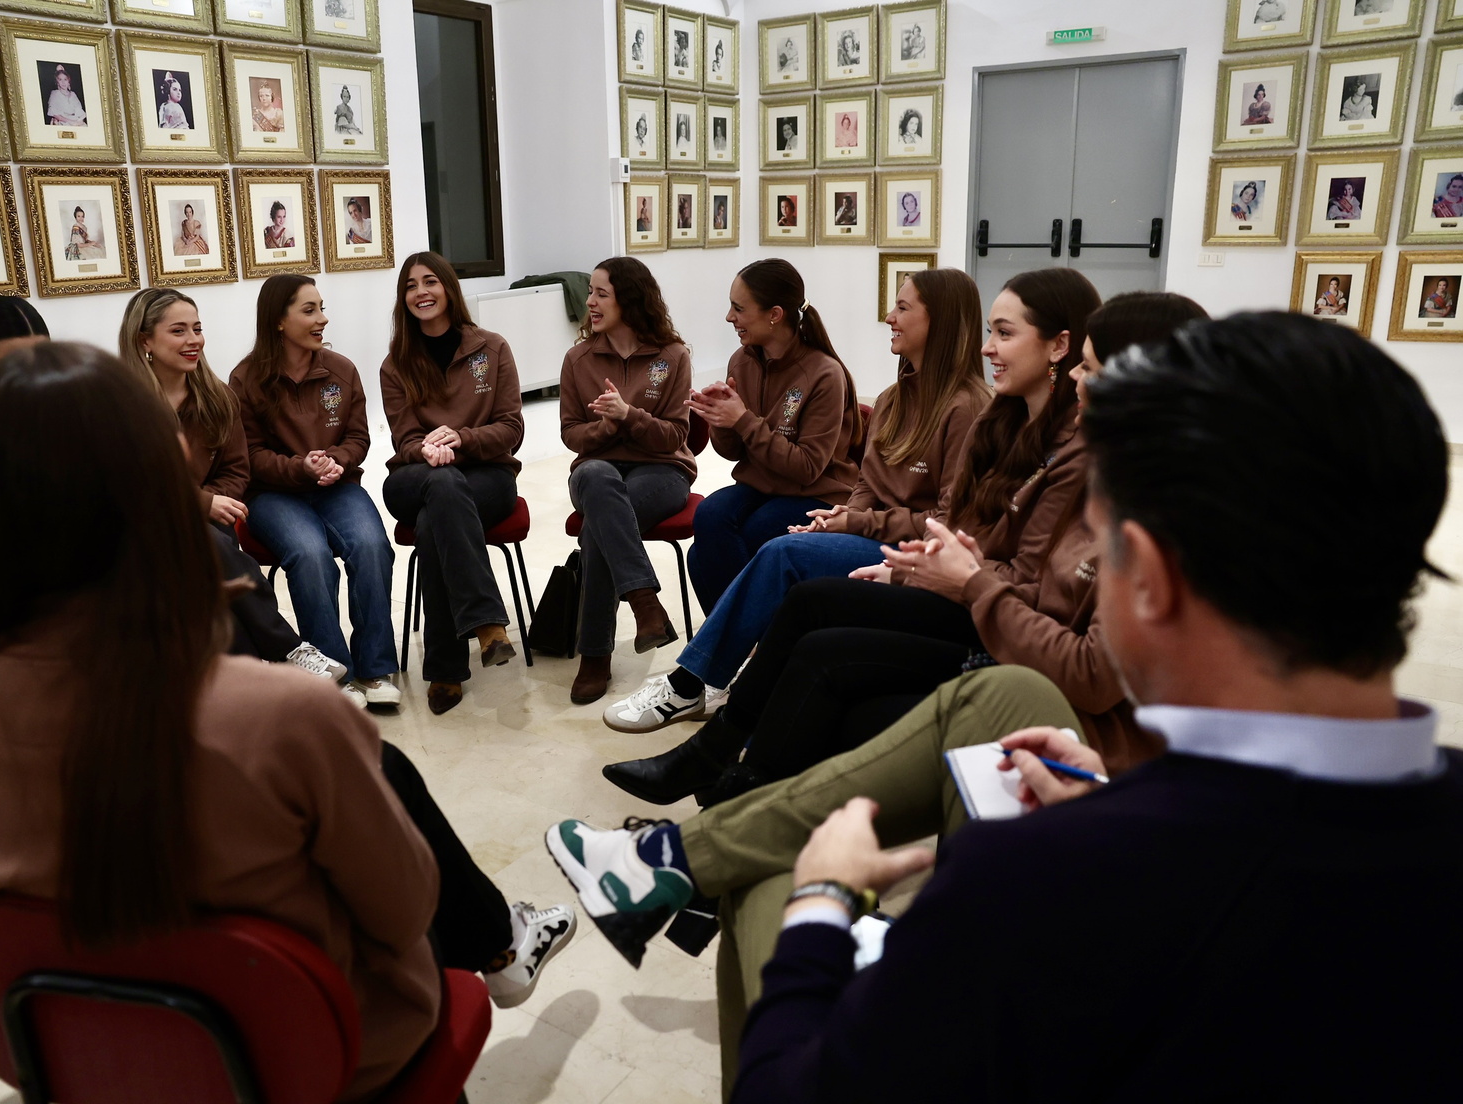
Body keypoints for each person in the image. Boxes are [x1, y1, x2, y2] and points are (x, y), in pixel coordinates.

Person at [552, 309, 1462, 1102]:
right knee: (996, 688)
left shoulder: (1040, 880)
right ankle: (683, 853)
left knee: (769, 886)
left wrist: (824, 902)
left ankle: (704, 865)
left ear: (1150, 576)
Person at [0, 345, 578, 1103]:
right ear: (165, 480)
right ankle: (504, 946)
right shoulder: (284, 716)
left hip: (98, 1069)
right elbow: (404, 912)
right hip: (316, 1060)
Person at [603, 292, 1206, 809]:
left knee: (796, 583)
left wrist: (928, 562)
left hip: (988, 623)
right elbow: (940, 520)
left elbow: (967, 542)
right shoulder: (960, 412)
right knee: (737, 534)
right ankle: (720, 757)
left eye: (1005, 333)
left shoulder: (1070, 461)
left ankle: (720, 750)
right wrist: (866, 526)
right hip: (951, 579)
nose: (888, 317)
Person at [602, 268, 1098, 737]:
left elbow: (942, 520)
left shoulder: (966, 407)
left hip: (910, 545)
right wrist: (842, 517)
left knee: (779, 552)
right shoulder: (892, 398)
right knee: (715, 528)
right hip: (862, 523)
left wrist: (853, 520)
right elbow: (866, 483)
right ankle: (733, 673)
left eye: (902, 308)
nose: (889, 317)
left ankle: (696, 681)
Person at [118, 288, 344, 681]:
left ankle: (260, 679)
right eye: (178, 331)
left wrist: (210, 505)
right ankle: (287, 650)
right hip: (137, 533)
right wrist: (201, 503)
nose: (194, 340)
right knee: (207, 545)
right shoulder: (119, 404)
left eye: (197, 328)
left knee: (211, 559)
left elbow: (237, 471)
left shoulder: (217, 397)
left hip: (210, 531)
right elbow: (127, 486)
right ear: (145, 341)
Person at [229, 275, 401, 707]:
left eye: (322, 308)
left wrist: (337, 461)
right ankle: (333, 675)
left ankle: (375, 670)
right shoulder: (246, 378)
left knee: (372, 546)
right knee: (309, 555)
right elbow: (249, 456)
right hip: (272, 494)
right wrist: (300, 467)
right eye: (309, 310)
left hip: (335, 485)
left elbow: (359, 437)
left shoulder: (341, 370)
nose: (322, 318)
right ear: (278, 320)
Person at [672, 259, 863, 622]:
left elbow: (807, 469)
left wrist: (742, 420)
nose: (729, 317)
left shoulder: (825, 373)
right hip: (762, 485)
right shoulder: (741, 361)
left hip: (816, 493)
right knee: (709, 515)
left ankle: (749, 641)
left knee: (708, 556)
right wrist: (721, 421)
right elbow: (731, 452)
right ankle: (753, 641)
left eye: (739, 308)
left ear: (775, 314)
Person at [380, 252, 523, 715]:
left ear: (448, 288)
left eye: (430, 282)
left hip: (487, 475)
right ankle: (487, 624)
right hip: (416, 475)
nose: (420, 292)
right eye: (410, 286)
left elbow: (511, 428)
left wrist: (461, 439)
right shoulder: (396, 365)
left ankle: (445, 667)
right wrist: (426, 450)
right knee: (439, 488)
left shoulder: (492, 348)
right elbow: (404, 439)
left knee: (434, 521)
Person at [559, 257, 696, 705]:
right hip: (596, 468)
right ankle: (645, 604)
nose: (590, 302)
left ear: (630, 300)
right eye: (590, 292)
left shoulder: (672, 355)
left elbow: (675, 436)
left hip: (662, 469)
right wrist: (605, 428)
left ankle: (594, 654)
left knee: (600, 527)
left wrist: (628, 415)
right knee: (599, 481)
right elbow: (571, 433)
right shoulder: (578, 359)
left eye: (601, 294)